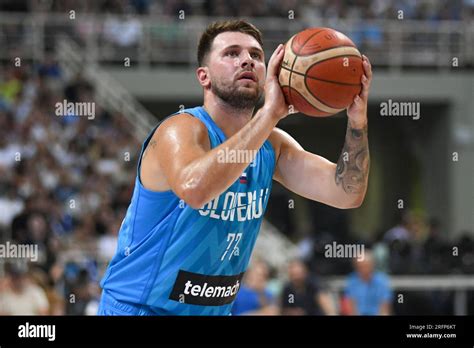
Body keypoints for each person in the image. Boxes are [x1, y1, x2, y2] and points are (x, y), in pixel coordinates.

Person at [98, 19, 372, 315]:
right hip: (141, 308)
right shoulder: (180, 129)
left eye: (256, 55)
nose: (246, 61)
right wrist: (269, 114)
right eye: (231, 53)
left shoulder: (273, 144)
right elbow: (195, 188)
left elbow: (347, 192)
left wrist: (357, 122)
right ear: (204, 76)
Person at [344, 250, 392, 315]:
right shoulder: (352, 281)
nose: (364, 269)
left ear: (373, 265)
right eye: (360, 267)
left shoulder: (382, 281)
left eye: (366, 266)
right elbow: (350, 306)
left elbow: (385, 308)